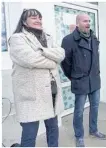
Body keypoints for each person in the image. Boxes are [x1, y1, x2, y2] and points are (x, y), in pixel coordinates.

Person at [8, 9, 65, 147]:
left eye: (40, 17)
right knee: (29, 134)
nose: (38, 20)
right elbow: (31, 60)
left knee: (53, 128)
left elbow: (61, 53)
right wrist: (53, 62)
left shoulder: (48, 37)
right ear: (24, 21)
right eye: (34, 18)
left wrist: (43, 51)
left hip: (51, 93)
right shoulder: (17, 38)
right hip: (31, 95)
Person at [61, 13, 106, 147]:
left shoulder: (93, 37)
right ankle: (79, 136)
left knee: (95, 107)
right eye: (85, 21)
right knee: (79, 111)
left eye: (89, 21)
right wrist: (73, 75)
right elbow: (65, 63)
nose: (88, 23)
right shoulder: (68, 40)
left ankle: (94, 130)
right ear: (77, 23)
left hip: (94, 79)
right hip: (80, 80)